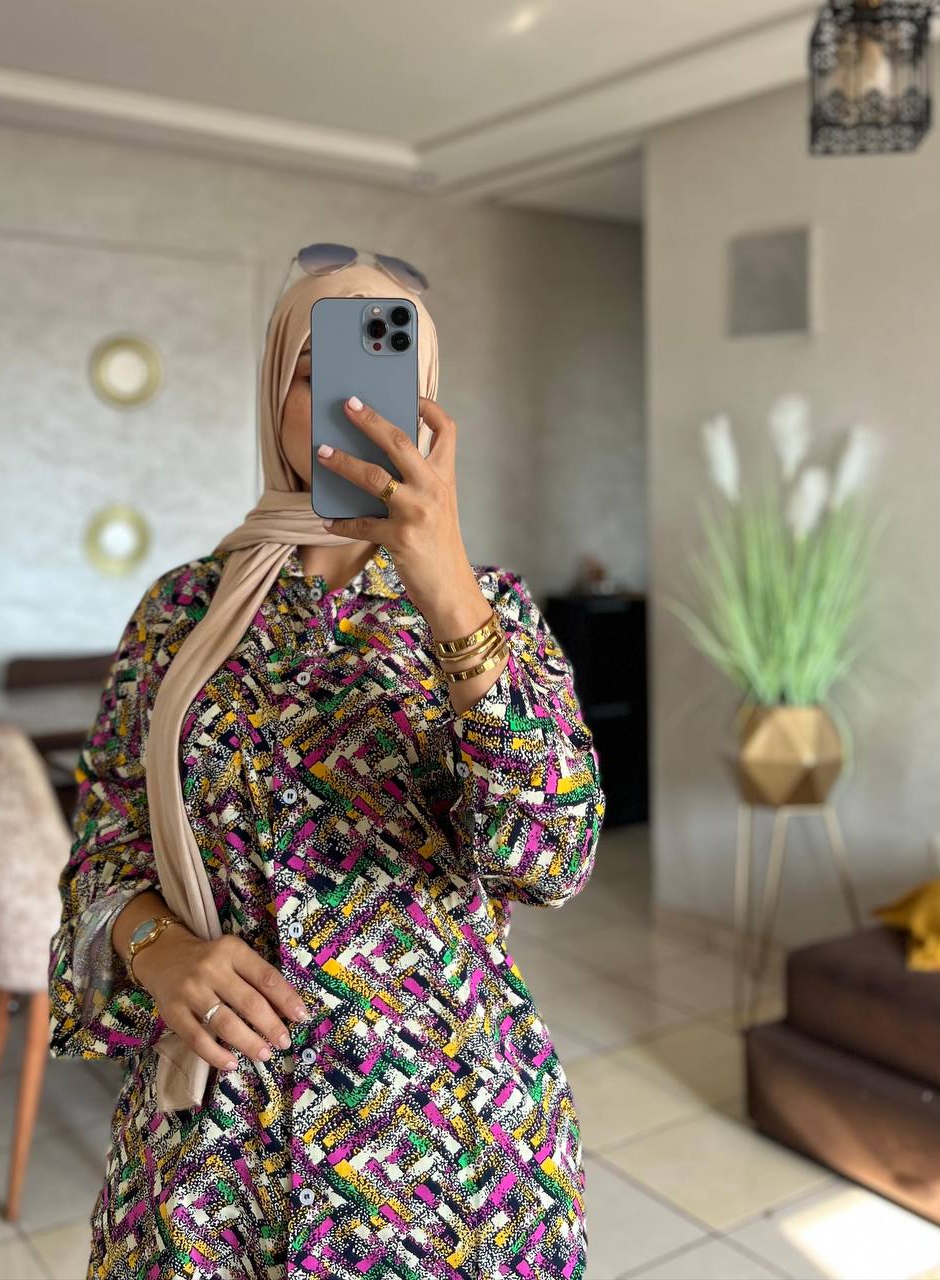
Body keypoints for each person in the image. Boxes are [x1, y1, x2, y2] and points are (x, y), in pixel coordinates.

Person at [48, 257, 606, 1280]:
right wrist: (155, 948)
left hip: (448, 1151)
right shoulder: (181, 611)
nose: (353, 406)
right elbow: (104, 848)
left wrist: (446, 590)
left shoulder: (494, 608)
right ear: (272, 393)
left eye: (384, 379)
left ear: (427, 403)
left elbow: (552, 856)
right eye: (314, 373)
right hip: (214, 1160)